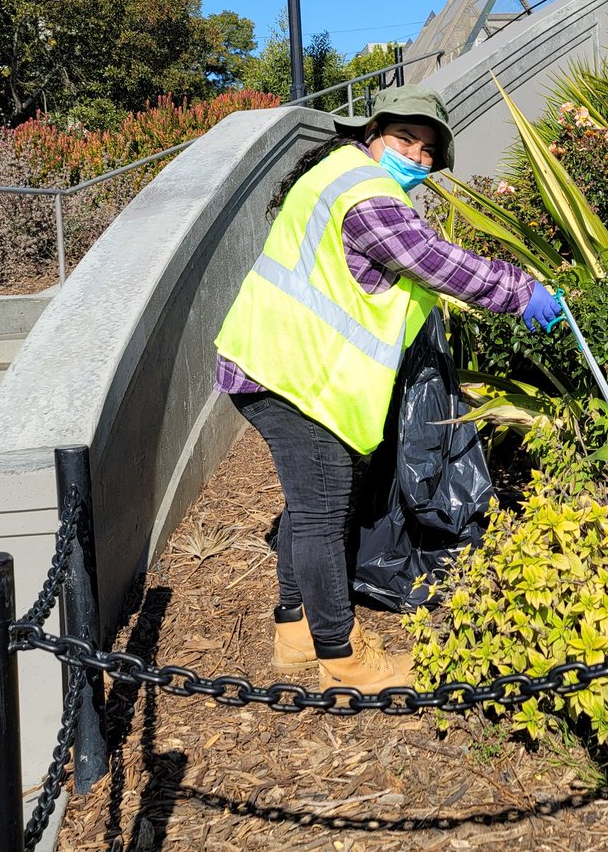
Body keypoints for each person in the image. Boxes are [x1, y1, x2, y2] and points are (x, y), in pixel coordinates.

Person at [214, 84, 561, 693]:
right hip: (293, 372)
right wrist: (518, 291)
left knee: (310, 503)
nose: (418, 157)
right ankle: (341, 657)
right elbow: (432, 260)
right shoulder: (366, 192)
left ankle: (294, 632)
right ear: (372, 133)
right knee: (324, 513)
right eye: (406, 139)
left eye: (429, 150)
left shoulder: (343, 176)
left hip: (284, 367)